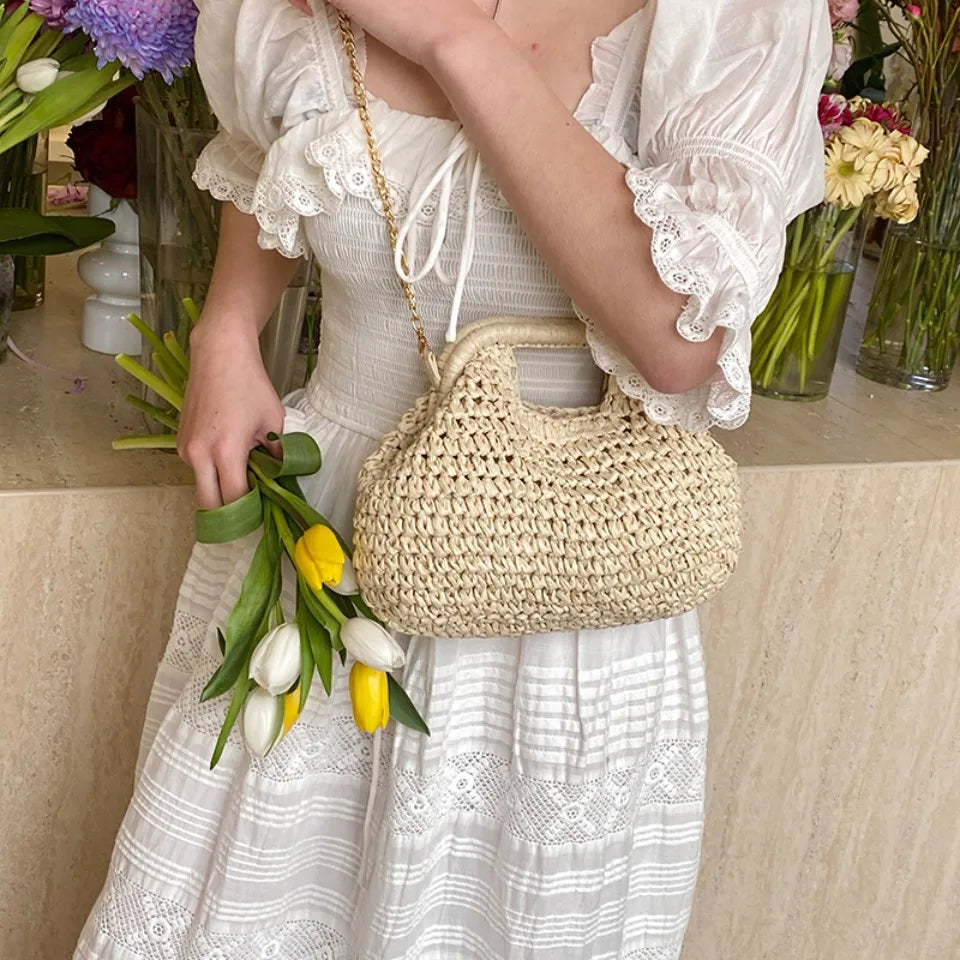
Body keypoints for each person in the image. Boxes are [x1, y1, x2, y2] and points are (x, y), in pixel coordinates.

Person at [75, 0, 830, 956]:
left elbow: (678, 334)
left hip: (571, 594)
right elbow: (261, 156)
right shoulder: (285, 16)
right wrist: (229, 326)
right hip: (324, 556)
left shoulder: (731, 18)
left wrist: (449, 36)